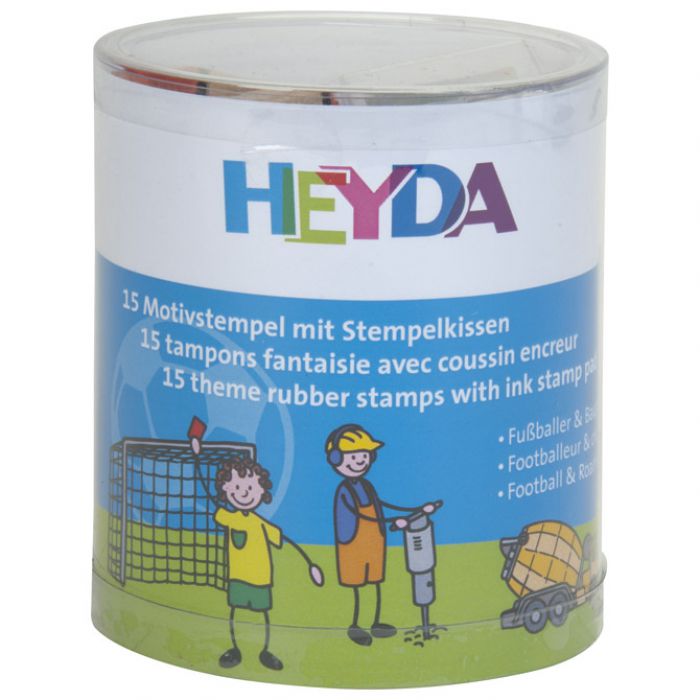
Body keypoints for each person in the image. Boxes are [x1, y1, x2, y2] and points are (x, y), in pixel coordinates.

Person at [190, 424, 323, 671]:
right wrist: (197, 455)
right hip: (238, 577)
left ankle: (265, 650)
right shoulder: (230, 517)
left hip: (261, 579)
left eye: (250, 488)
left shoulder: (261, 524)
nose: (244, 493)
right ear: (226, 490)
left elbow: (283, 539)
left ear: (262, 490)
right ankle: (235, 648)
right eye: (237, 488)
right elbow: (209, 497)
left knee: (262, 614)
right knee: (236, 611)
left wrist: (309, 562)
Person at [325, 423, 439, 646]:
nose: (360, 461)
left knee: (375, 582)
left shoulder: (366, 486)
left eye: (364, 455)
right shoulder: (344, 490)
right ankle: (356, 625)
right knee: (358, 587)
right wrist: (392, 522)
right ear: (336, 459)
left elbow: (382, 504)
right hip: (353, 543)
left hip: (373, 541)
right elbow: (359, 515)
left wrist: (417, 509)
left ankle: (375, 622)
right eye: (353, 456)